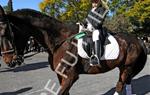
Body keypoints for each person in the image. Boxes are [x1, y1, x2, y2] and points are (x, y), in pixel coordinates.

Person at [83, 0, 109, 67]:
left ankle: (97, 58)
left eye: (96, 2)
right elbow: (86, 21)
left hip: (97, 29)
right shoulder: (90, 10)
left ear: (99, 2)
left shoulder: (102, 9)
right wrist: (82, 24)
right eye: (93, 2)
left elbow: (99, 21)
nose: (94, 4)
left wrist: (92, 26)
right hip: (88, 29)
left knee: (95, 35)